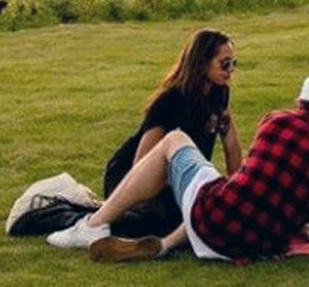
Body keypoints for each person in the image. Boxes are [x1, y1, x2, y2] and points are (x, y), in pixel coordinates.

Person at [48, 74, 309, 263]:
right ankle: (164, 245)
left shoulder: (275, 121)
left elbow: (253, 176)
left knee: (175, 141)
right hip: (261, 245)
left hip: (214, 218)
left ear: (300, 103)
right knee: (227, 196)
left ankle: (92, 225)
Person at [99, 29, 242, 244]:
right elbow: (141, 162)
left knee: (203, 215)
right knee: (167, 222)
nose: (230, 70)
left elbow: (231, 145)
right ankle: (94, 220)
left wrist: (237, 192)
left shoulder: (219, 93)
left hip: (176, 180)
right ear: (202, 63)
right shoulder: (171, 101)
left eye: (233, 63)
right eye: (224, 64)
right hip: (131, 177)